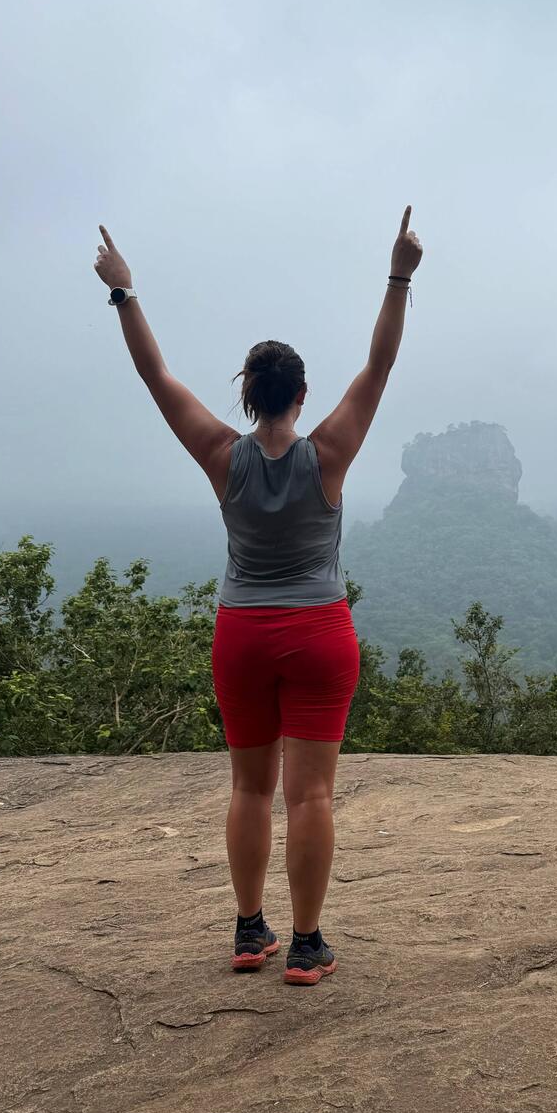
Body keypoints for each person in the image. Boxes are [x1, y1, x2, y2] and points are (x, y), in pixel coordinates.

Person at [92, 208, 423, 983]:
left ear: (248, 396)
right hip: (319, 634)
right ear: (301, 395)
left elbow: (155, 377)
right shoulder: (329, 452)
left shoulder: (220, 454)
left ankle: (249, 933)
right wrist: (399, 275)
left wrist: (124, 292)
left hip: (241, 634)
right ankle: (306, 945)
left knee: (249, 786)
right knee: (311, 797)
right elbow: (379, 368)